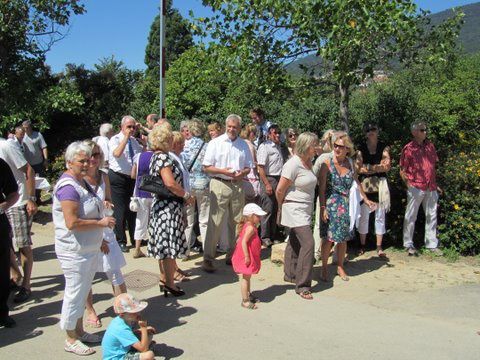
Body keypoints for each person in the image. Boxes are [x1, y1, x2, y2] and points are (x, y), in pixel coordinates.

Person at [53, 141, 116, 355]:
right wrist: (100, 224)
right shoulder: (69, 186)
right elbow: (71, 222)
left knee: (81, 293)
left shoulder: (82, 182)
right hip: (74, 251)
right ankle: (70, 338)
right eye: (82, 160)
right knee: (74, 293)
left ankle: (79, 331)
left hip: (88, 249)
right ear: (69, 162)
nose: (87, 163)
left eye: (88, 159)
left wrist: (100, 239)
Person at [82, 140, 127, 329]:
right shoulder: (78, 179)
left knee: (115, 270)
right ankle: (90, 309)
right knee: (87, 275)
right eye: (89, 155)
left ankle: (124, 310)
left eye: (97, 155)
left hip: (106, 229)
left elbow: (108, 198)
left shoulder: (104, 176)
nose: (93, 159)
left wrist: (108, 204)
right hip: (88, 231)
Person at [319, 133, 374, 283]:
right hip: (330, 205)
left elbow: (356, 182)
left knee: (343, 239)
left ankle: (340, 266)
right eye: (335, 145)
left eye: (340, 146)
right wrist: (323, 207)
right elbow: (322, 190)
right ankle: (324, 267)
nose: (337, 149)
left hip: (345, 205)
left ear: (347, 149)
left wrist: (366, 199)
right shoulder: (326, 164)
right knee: (328, 239)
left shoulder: (349, 163)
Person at [201, 114, 253, 273]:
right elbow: (206, 167)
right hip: (219, 183)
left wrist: (241, 174)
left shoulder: (243, 145)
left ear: (239, 128)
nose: (231, 129)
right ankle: (208, 258)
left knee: (237, 222)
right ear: (225, 126)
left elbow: (248, 167)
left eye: (235, 127)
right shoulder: (215, 143)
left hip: (237, 185)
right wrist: (223, 171)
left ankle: (232, 255)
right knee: (215, 222)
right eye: (229, 126)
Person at [147, 125, 194, 297]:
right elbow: (170, 183)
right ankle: (169, 283)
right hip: (168, 207)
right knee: (168, 248)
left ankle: (164, 279)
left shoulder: (156, 157)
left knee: (164, 246)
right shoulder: (163, 158)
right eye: (169, 138)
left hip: (162, 206)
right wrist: (186, 195)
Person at [276, 132, 319, 300]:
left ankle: (291, 274)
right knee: (308, 243)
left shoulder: (309, 162)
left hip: (305, 208)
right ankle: (303, 285)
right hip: (294, 208)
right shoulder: (292, 164)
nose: (316, 148)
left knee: (294, 241)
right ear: (306, 146)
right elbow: (280, 189)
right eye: (313, 145)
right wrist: (282, 206)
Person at [0, 138, 37, 303]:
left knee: (23, 245)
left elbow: (28, 170)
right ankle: (16, 276)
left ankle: (26, 286)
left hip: (19, 201)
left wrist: (30, 198)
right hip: (4, 203)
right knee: (5, 244)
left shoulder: (6, 145)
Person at [400, 121, 443, 256]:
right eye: (422, 130)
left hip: (431, 187)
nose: (425, 132)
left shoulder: (430, 146)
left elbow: (432, 167)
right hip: (416, 186)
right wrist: (409, 185)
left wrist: (436, 185)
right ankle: (408, 244)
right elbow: (402, 170)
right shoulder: (408, 148)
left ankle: (431, 244)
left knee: (431, 215)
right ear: (414, 132)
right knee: (410, 216)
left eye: (425, 129)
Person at [109, 116, 144, 252]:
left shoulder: (135, 142)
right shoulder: (115, 139)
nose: (132, 129)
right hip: (118, 177)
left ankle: (134, 238)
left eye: (133, 127)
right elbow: (117, 153)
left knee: (133, 209)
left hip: (132, 178)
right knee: (120, 209)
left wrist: (145, 144)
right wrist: (125, 138)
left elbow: (141, 157)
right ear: (122, 127)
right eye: (129, 127)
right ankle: (120, 240)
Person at [356, 122, 391, 258]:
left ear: (377, 131)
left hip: (380, 187)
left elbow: (386, 166)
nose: (371, 132)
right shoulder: (360, 147)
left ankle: (379, 247)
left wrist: (368, 168)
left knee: (380, 217)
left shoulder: (384, 146)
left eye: (373, 129)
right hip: (365, 187)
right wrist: (376, 167)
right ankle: (362, 245)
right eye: (368, 129)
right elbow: (358, 167)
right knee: (364, 217)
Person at [181, 119, 210, 254]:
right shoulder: (207, 146)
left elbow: (182, 165)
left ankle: (185, 251)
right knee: (204, 220)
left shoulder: (185, 145)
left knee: (188, 220)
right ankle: (206, 251)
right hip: (204, 184)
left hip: (189, 185)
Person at [257, 124, 288, 247]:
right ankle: (264, 237)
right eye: (274, 133)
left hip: (279, 179)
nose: (277, 135)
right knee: (267, 209)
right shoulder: (264, 147)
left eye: (279, 133)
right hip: (269, 178)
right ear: (269, 134)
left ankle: (273, 235)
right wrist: (267, 184)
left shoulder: (280, 147)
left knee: (276, 208)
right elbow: (260, 167)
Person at [232, 203, 266, 310]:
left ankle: (248, 294)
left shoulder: (248, 225)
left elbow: (239, 240)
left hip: (249, 254)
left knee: (248, 277)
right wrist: (246, 256)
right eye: (257, 216)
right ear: (251, 216)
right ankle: (245, 300)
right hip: (247, 256)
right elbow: (243, 242)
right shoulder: (250, 228)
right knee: (245, 278)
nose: (260, 218)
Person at [102, 293, 155, 360]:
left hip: (123, 350)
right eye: (133, 313)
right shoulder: (121, 328)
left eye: (138, 311)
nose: (138, 314)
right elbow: (143, 349)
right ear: (122, 314)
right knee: (149, 355)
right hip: (118, 357)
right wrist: (143, 328)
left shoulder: (121, 320)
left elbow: (127, 335)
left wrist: (140, 331)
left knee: (148, 334)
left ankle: (139, 352)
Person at [0, 158, 19, 328]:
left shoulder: (0, 165)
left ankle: (2, 312)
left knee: (2, 271)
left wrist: (2, 206)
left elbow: (13, 193)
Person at [312, 129, 336, 260]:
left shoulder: (323, 158)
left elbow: (312, 176)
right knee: (337, 224)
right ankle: (337, 255)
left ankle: (316, 253)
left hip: (323, 195)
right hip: (339, 196)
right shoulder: (343, 158)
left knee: (319, 224)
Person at [130, 148, 154, 259]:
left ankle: (137, 248)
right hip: (155, 191)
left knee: (140, 220)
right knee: (154, 221)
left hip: (140, 191)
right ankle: (154, 247)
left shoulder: (138, 156)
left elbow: (133, 175)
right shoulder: (158, 156)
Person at [22, 120, 48, 203]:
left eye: (26, 128)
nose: (25, 130)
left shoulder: (37, 135)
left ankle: (38, 198)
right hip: (28, 164)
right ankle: (31, 199)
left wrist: (46, 159)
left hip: (38, 162)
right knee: (29, 181)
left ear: (30, 127)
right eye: (24, 128)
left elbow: (44, 147)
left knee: (39, 181)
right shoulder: (22, 136)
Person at [239, 123, 261, 204]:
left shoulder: (241, 143)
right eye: (254, 133)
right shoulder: (250, 145)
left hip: (243, 178)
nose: (255, 135)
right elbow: (252, 163)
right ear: (250, 133)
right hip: (251, 179)